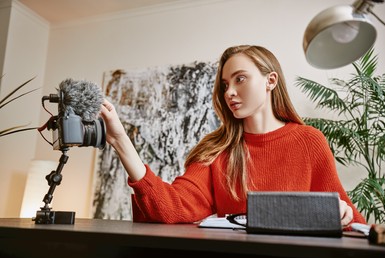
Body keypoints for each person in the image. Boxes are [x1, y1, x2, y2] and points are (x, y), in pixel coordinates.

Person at [100, 45, 366, 227]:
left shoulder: (309, 141)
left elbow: (352, 221)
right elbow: (171, 208)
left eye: (240, 79)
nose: (229, 92)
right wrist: (120, 139)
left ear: (270, 81)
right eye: (225, 84)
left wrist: (341, 215)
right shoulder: (217, 150)